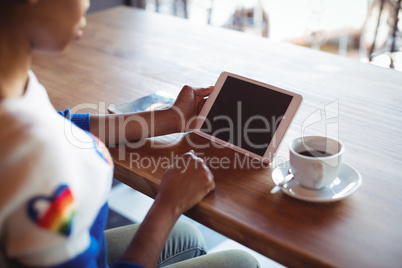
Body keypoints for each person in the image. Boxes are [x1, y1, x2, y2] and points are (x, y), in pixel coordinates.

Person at [0, 0, 260, 267]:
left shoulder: (12, 82)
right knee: (241, 261)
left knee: (187, 235)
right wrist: (168, 204)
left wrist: (171, 119)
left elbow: (62, 125)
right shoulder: (35, 164)